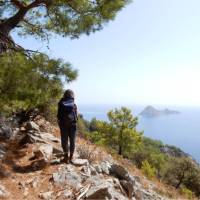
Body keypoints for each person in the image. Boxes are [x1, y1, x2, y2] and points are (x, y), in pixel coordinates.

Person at [57, 89, 78, 163]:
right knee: (72, 141)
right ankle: (71, 157)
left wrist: (60, 123)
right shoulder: (74, 104)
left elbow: (58, 115)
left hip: (63, 124)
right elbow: (76, 116)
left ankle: (66, 158)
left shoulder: (60, 103)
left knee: (64, 140)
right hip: (73, 124)